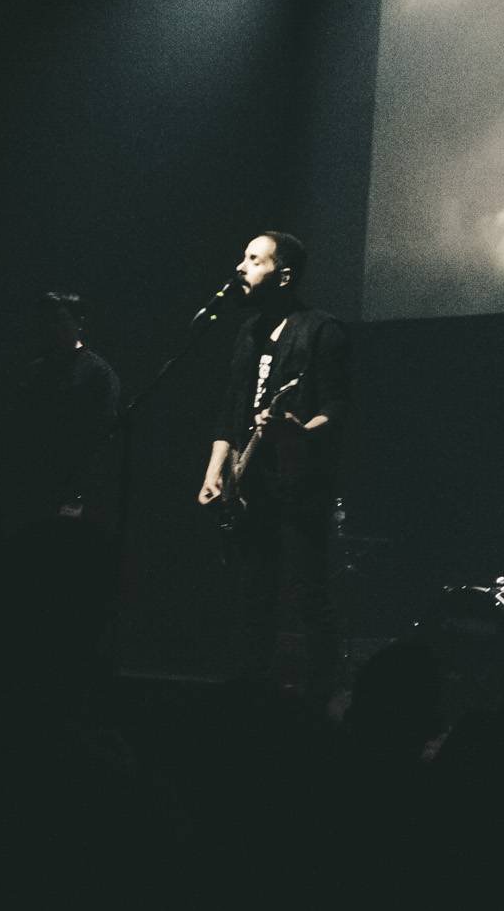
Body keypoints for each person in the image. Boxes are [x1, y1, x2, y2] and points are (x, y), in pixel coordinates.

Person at [198, 231, 350, 702]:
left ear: (283, 275)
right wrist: (215, 470)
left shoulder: (321, 330)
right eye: (243, 257)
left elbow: (337, 408)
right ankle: (247, 694)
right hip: (249, 486)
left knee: (308, 594)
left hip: (300, 485)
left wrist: (298, 432)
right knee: (252, 596)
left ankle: (322, 698)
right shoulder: (249, 331)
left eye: (254, 260)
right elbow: (231, 408)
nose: (241, 267)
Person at [0, 291, 121, 535]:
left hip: (74, 487)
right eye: (48, 321)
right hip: (33, 484)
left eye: (61, 319)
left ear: (78, 323)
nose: (53, 328)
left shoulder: (97, 372)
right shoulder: (36, 371)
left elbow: (103, 435)